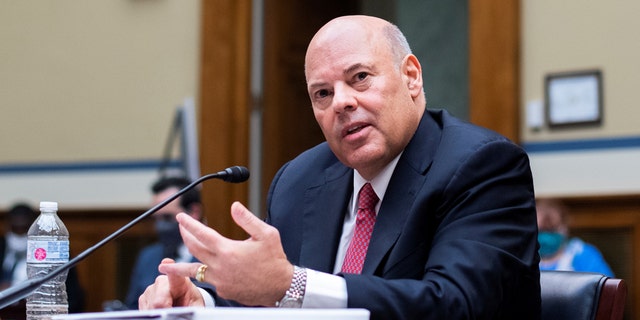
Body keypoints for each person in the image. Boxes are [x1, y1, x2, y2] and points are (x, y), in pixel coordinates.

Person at [138, 15, 540, 319]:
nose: (341, 103)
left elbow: (458, 305)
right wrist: (202, 302)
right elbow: (266, 288)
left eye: (360, 78)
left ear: (411, 77)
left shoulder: (481, 165)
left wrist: (291, 284)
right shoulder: (299, 180)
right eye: (322, 93)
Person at [124, 176, 204, 309]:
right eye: (156, 218)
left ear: (194, 212)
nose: (160, 226)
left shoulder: (215, 257)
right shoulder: (148, 256)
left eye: (167, 217)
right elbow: (132, 307)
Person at [0, 202, 85, 313]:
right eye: (16, 230)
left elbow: (74, 298)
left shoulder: (53, 251)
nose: (19, 235)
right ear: (7, 227)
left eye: (24, 229)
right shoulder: (1, 247)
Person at [536, 198, 614, 277]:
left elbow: (605, 286)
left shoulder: (582, 254)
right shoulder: (526, 258)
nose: (546, 236)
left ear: (565, 228)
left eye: (551, 230)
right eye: (541, 230)